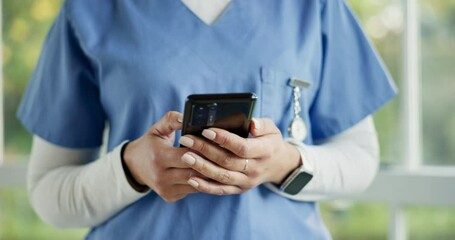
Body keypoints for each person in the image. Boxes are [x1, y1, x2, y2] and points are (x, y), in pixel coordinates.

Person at [18, 0, 397, 239]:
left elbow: (360, 159)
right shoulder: (90, 10)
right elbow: (49, 191)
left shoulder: (313, 7)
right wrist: (130, 167)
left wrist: (282, 163)